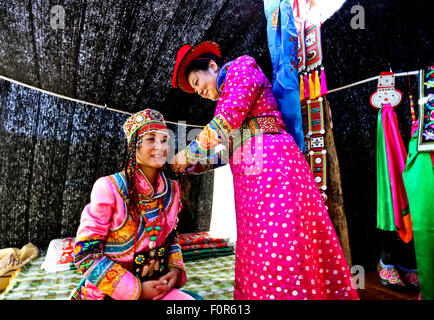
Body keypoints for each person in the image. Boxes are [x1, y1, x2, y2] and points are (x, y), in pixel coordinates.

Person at [170, 41, 359, 300]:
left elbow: (226, 123)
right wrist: (199, 164)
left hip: (275, 169)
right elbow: (231, 147)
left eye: (196, 81)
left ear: (212, 66)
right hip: (250, 183)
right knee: (258, 250)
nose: (198, 91)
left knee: (282, 245)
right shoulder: (223, 98)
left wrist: (188, 152)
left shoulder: (241, 67)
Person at [69, 109, 194, 300]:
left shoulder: (173, 190)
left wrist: (175, 270)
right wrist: (138, 290)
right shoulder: (110, 188)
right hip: (110, 293)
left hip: (156, 285)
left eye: (164, 140)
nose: (160, 147)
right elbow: (85, 254)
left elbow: (170, 238)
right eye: (151, 139)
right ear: (134, 145)